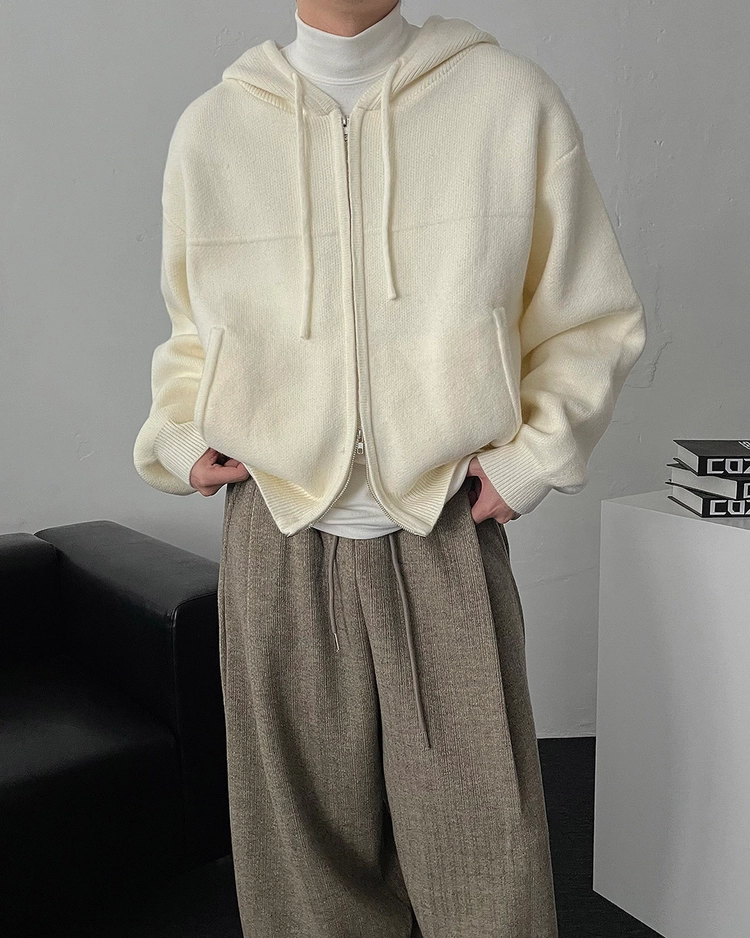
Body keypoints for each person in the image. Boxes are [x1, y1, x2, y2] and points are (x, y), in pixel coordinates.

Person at [133, 1, 647, 935]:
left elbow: (590, 318)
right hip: (276, 536)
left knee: (483, 865)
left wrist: (531, 460)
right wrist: (178, 435)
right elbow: (190, 333)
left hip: (444, 532)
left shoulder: (509, 101)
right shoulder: (213, 128)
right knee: (302, 876)